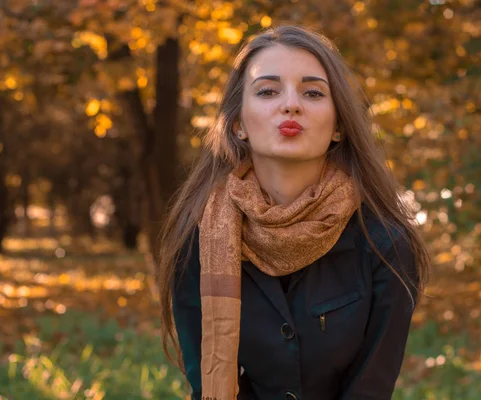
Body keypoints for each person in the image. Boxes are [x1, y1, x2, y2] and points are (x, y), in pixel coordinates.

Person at [156, 25, 431, 400]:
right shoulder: (199, 241)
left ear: (338, 127)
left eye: (313, 92)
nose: (291, 104)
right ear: (237, 124)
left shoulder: (385, 245)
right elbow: (208, 385)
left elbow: (370, 389)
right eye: (268, 91)